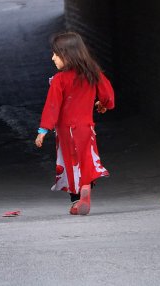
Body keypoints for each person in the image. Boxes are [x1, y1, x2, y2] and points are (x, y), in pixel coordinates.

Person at [35, 32, 114, 216]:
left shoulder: (59, 79)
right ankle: (86, 186)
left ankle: (77, 199)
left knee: (71, 164)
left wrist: (43, 130)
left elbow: (52, 107)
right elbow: (108, 96)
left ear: (68, 54)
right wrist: (103, 105)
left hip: (64, 130)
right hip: (86, 127)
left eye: (56, 53)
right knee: (87, 159)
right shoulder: (93, 73)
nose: (52, 57)